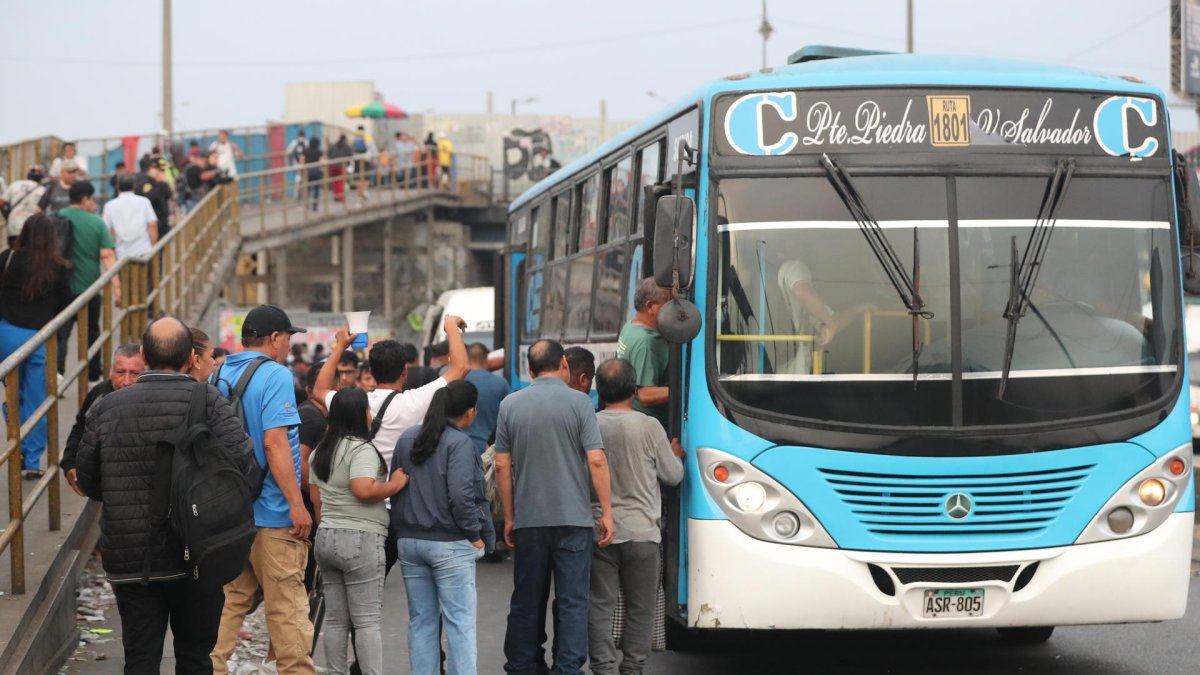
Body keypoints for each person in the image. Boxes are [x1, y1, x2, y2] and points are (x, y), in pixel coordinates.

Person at [75, 317, 256, 675]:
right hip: (198, 551)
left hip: (131, 555)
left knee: (140, 659)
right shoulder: (210, 402)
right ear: (191, 357)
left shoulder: (106, 407)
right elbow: (244, 466)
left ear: (142, 355)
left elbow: (89, 481)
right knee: (195, 658)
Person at [495, 339, 614, 675]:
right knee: (572, 601)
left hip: (529, 519)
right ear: (563, 363)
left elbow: (502, 466)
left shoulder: (510, 405)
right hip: (573, 519)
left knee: (527, 598)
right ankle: (567, 667)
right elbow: (596, 460)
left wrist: (510, 516)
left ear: (530, 370)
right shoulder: (580, 404)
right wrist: (606, 512)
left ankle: (522, 664)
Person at [209, 304, 316, 675]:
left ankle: (208, 667)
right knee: (286, 605)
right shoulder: (275, 375)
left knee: (231, 599)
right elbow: (274, 444)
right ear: (274, 338)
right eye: (288, 337)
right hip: (272, 513)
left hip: (231, 514)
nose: (288, 344)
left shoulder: (218, 373)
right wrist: (296, 505)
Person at [587, 359, 684, 675]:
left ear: (599, 390)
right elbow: (672, 476)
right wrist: (675, 456)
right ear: (634, 391)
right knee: (640, 609)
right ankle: (633, 668)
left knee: (599, 605)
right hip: (643, 533)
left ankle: (602, 667)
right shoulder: (649, 426)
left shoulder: (590, 424)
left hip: (601, 529)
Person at [391, 380, 491, 675]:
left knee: (421, 622)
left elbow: (397, 487)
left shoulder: (408, 438)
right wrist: (475, 536)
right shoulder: (460, 443)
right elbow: (462, 496)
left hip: (410, 541)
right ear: (470, 412)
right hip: (449, 543)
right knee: (460, 624)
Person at [309, 387, 408, 675]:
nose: (370, 414)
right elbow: (364, 489)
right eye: (367, 409)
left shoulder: (321, 450)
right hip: (360, 538)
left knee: (337, 620)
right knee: (366, 621)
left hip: (326, 537)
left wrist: (328, 526)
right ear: (359, 414)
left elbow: (316, 499)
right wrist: (396, 484)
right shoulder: (361, 448)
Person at [0, 215, 73, 478]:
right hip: (41, 339)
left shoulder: (6, 258)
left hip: (7, 335)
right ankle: (31, 462)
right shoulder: (58, 266)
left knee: (14, 395)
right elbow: (67, 304)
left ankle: (14, 436)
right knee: (37, 400)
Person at [61, 344, 145, 497]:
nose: (126, 381)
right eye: (120, 372)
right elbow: (79, 429)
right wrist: (69, 464)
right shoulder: (98, 394)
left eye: (135, 373)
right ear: (110, 372)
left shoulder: (153, 401)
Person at [56, 181, 119, 381]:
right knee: (92, 332)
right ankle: (92, 376)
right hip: (89, 290)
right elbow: (108, 256)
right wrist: (118, 288)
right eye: (92, 199)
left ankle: (56, 375)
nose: (93, 203)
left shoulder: (57, 218)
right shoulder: (96, 223)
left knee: (60, 334)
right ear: (85, 200)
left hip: (61, 289)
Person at [776, 258, 874, 374]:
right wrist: (830, 324)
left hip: (772, 371)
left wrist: (856, 310)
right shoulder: (794, 266)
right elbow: (802, 293)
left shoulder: (765, 272)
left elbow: (827, 321)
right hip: (790, 372)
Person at [617, 278, 671, 428]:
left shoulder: (630, 326)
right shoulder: (646, 342)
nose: (673, 309)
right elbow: (646, 395)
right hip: (651, 427)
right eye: (669, 302)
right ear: (651, 307)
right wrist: (687, 391)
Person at [464, 342, 510, 454]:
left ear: (467, 358)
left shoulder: (457, 381)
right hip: (490, 448)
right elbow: (510, 414)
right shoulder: (500, 383)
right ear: (486, 358)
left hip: (461, 444)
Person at [103, 174, 158, 260]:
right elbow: (152, 225)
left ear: (118, 187)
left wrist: (112, 250)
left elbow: (108, 230)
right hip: (144, 251)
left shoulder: (109, 206)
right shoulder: (144, 202)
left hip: (121, 254)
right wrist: (154, 246)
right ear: (134, 186)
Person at [1, 165, 47, 247]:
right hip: (31, 228)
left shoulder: (15, 185)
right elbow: (41, 212)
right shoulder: (42, 190)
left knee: (14, 252)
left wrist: (6, 214)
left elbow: (1, 202)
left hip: (13, 226)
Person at [138, 158, 173, 237]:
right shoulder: (144, 180)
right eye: (155, 168)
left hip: (162, 218)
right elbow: (151, 197)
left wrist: (162, 182)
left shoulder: (157, 180)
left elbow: (168, 194)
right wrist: (159, 183)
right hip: (154, 219)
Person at [328, 135, 353, 202]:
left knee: (335, 182)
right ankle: (340, 196)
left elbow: (329, 154)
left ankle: (336, 196)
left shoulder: (333, 145)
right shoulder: (346, 147)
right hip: (342, 166)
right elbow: (350, 155)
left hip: (333, 166)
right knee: (341, 181)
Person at [287, 130, 308, 200]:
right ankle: (302, 194)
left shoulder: (294, 142)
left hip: (296, 164)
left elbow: (289, 152)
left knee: (298, 179)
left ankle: (297, 194)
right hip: (304, 164)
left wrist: (290, 164)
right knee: (303, 179)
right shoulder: (306, 142)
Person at [304, 137, 324, 212]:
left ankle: (306, 204)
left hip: (307, 172)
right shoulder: (319, 151)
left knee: (307, 189)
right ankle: (315, 206)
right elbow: (322, 161)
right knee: (316, 189)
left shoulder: (306, 150)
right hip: (316, 171)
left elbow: (302, 160)